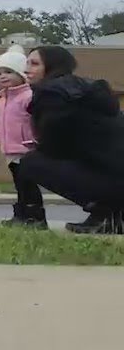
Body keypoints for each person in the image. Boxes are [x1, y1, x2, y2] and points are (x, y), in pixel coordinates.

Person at [18, 46, 124, 235]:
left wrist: (39, 145)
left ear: (52, 67)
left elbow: (55, 147)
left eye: (34, 64)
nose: (26, 69)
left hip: (114, 177)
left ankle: (107, 214)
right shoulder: (86, 90)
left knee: (30, 163)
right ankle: (110, 214)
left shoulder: (52, 94)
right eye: (27, 63)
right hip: (112, 171)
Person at [0, 46, 44, 228]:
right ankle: (21, 215)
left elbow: (37, 122)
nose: (3, 76)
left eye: (8, 72)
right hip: (10, 152)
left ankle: (36, 218)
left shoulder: (29, 97)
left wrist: (37, 143)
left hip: (27, 150)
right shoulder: (0, 102)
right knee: (19, 185)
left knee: (29, 185)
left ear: (21, 73)